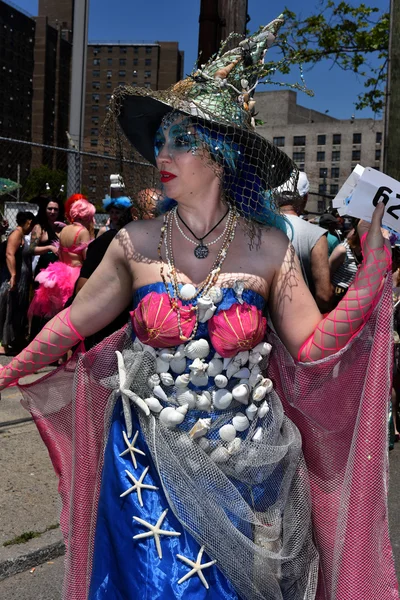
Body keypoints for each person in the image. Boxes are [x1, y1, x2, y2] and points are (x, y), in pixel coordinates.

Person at [0, 16, 397, 600]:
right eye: (160, 139)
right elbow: (69, 325)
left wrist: (374, 274)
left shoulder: (269, 247)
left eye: (182, 141)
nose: (163, 153)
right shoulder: (134, 243)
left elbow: (313, 346)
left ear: (221, 157)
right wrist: (8, 371)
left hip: (246, 468)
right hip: (146, 469)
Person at [28, 199, 94, 319]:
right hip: (75, 273)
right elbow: (86, 257)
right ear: (86, 216)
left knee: (55, 312)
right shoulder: (83, 231)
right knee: (71, 313)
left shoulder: (64, 229)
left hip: (59, 272)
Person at [277, 172, 333, 312]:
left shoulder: (257, 229)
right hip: (302, 324)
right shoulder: (315, 235)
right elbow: (324, 296)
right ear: (305, 198)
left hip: (262, 326)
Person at [0, 211, 34, 353]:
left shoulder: (21, 235)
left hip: (21, 279)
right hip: (14, 278)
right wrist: (13, 275)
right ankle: (3, 344)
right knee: (8, 309)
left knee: (14, 309)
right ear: (28, 222)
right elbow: (9, 253)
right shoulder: (17, 234)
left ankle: (10, 342)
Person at [329, 222, 362, 306]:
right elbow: (326, 276)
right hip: (335, 301)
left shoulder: (368, 254)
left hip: (352, 303)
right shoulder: (342, 250)